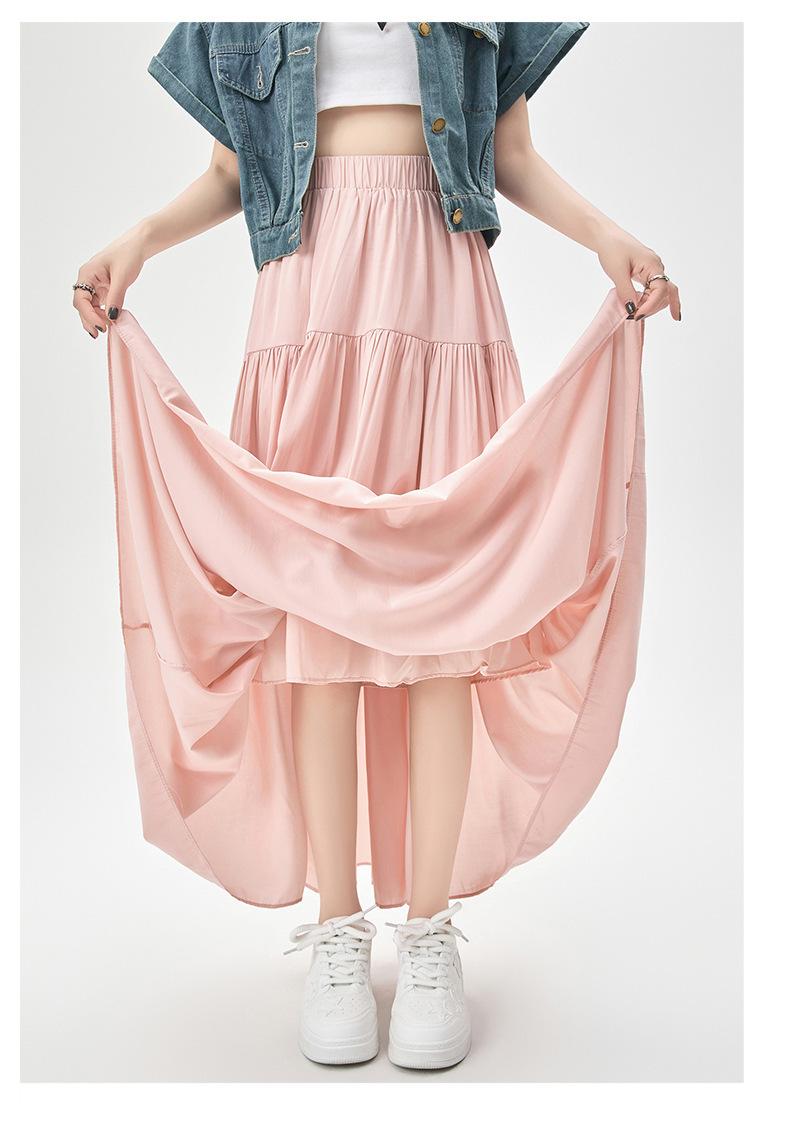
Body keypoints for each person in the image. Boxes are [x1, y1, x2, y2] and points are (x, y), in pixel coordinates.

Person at [72, 22, 680, 1071]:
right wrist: (138, 240)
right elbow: (230, 169)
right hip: (308, 304)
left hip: (443, 298)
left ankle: (429, 933)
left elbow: (510, 153)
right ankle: (339, 933)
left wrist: (607, 236)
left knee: (445, 611)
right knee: (317, 620)